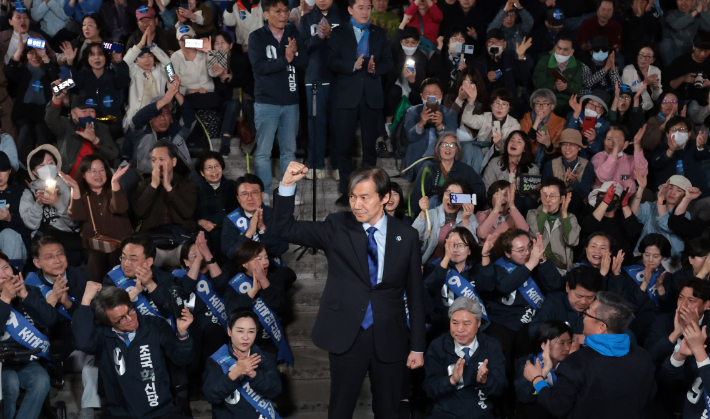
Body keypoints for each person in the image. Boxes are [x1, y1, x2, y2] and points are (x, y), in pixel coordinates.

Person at [273, 162, 426, 418]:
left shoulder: (406, 236)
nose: (356, 204)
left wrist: (418, 346)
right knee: (340, 410)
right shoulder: (337, 226)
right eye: (353, 197)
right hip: (347, 334)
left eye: (365, 197)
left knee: (389, 410)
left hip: (390, 336)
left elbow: (416, 294)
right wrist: (287, 185)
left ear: (385, 198)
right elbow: (285, 228)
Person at [523, 291, 656, 419]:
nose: (583, 315)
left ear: (601, 327)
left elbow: (557, 406)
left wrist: (537, 379)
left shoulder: (576, 363)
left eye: (587, 313)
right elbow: (650, 395)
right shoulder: (643, 356)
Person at [73, 282, 195, 419]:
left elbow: (182, 358)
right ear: (108, 322)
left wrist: (183, 334)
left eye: (130, 310)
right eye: (121, 319)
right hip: (121, 415)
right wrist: (85, 301)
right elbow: (83, 343)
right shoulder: (103, 336)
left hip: (162, 413)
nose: (130, 319)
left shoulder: (155, 325)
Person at [328, 0, 393, 206]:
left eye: (368, 7)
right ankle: (347, 192)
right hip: (346, 96)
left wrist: (375, 69)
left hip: (371, 96)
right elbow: (330, 61)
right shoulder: (338, 33)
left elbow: (388, 62)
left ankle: (369, 191)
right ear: (350, 9)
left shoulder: (379, 33)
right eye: (361, 8)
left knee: (369, 148)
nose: (365, 12)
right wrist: (352, 65)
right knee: (344, 146)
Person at [478, 229, 563, 381]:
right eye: (520, 250)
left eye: (529, 247)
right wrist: (531, 263)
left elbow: (557, 286)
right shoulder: (499, 267)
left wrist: (542, 260)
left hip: (530, 323)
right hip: (502, 323)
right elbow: (504, 286)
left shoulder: (537, 262)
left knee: (527, 363)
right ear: (508, 253)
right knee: (503, 362)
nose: (527, 253)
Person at [28, 236, 98, 419]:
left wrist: (67, 303)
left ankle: (89, 407)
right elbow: (34, 323)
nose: (57, 260)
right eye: (49, 256)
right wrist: (51, 300)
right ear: (37, 262)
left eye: (60, 254)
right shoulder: (31, 284)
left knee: (95, 343)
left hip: (77, 342)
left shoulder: (80, 278)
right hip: (47, 343)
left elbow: (91, 318)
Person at [249, 0, 308, 202]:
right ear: (266, 14)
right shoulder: (256, 37)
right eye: (277, 11)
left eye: (285, 11)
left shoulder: (293, 34)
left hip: (291, 101)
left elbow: (304, 63)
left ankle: (288, 191)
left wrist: (295, 55)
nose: (283, 15)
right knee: (263, 152)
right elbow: (259, 68)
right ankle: (263, 192)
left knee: (289, 151)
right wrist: (285, 59)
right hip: (266, 102)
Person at [423, 297, 507, 418]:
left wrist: (485, 381)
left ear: (478, 323)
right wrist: (451, 380)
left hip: (482, 412)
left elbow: (501, 389)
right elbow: (429, 389)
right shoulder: (437, 346)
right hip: (445, 413)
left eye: (466, 323)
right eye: (454, 323)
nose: (460, 329)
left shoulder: (492, 346)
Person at [174, 233, 230, 396]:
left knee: (213, 330)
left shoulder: (216, 272)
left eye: (202, 253)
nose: (201, 258)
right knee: (195, 330)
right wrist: (197, 262)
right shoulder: (178, 278)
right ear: (185, 262)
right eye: (194, 255)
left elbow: (222, 285)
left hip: (217, 330)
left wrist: (208, 257)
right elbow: (184, 290)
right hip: (193, 330)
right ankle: (193, 383)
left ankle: (211, 381)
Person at [61, 156, 132, 282]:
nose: (98, 174)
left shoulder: (114, 189)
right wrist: (75, 189)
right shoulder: (82, 194)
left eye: (101, 170)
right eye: (92, 170)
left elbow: (120, 208)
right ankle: (92, 295)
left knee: (116, 256)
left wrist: (115, 183)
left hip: (120, 244)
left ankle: (120, 292)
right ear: (83, 174)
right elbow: (77, 216)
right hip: (95, 245)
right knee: (96, 256)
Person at [0, 252, 53, 419]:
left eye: (5, 268)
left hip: (27, 357)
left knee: (41, 380)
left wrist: (26, 296)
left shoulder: (30, 291)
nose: (4, 275)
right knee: (10, 385)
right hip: (1, 362)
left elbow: (49, 319)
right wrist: (5, 300)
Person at [298, 0, 348, 179]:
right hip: (314, 78)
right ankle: (315, 163)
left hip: (338, 79)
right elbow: (302, 49)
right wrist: (319, 37)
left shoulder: (343, 17)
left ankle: (336, 164)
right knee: (315, 126)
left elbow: (349, 46)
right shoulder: (307, 20)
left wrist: (331, 35)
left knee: (337, 126)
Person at [223, 240, 296, 361]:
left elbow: (279, 306)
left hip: (269, 344)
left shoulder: (274, 278)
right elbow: (231, 310)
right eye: (258, 259)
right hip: (244, 345)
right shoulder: (235, 283)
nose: (264, 262)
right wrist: (254, 290)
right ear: (245, 264)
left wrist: (264, 281)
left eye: (266, 258)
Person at [203, 308, 282, 419]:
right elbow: (211, 396)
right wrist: (236, 372)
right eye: (240, 331)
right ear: (229, 331)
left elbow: (275, 390)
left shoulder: (265, 358)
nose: (246, 337)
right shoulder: (216, 360)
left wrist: (253, 374)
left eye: (251, 331)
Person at [19, 145, 83, 266]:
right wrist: (38, 204)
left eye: (51, 163)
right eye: (42, 165)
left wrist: (57, 203)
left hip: (66, 239)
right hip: (43, 240)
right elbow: (31, 223)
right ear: (34, 171)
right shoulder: (29, 193)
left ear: (56, 165)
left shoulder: (69, 187)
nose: (47, 168)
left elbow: (75, 222)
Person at [424, 227, 492, 336]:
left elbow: (487, 288)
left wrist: (485, 256)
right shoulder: (435, 266)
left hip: (471, 324)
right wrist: (446, 258)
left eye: (460, 245)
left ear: (469, 250)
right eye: (451, 245)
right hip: (442, 324)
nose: (455, 250)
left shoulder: (477, 269)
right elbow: (428, 288)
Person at [4, 37, 58, 166]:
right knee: (26, 129)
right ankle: (22, 168)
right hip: (23, 114)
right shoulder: (23, 70)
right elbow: (8, 72)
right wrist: (20, 50)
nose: (35, 56)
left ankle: (48, 167)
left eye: (37, 52)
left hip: (43, 115)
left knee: (41, 130)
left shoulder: (49, 70)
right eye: (31, 53)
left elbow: (57, 80)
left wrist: (45, 56)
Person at [63, 42, 131, 140]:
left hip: (111, 126)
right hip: (86, 124)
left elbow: (123, 81)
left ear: (106, 57)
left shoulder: (113, 75)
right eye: (92, 54)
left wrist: (119, 61)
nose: (97, 58)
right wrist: (70, 62)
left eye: (100, 54)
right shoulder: (82, 75)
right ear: (87, 58)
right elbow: (69, 85)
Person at [46, 89, 120, 178]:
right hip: (68, 178)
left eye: (92, 111)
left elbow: (113, 154)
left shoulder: (101, 128)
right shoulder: (66, 125)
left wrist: (95, 140)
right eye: (84, 111)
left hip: (94, 179)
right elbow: (51, 119)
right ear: (73, 114)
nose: (88, 115)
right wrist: (56, 99)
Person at [221, 173, 289, 262]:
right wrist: (249, 233)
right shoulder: (230, 219)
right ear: (238, 198)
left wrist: (262, 231)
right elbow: (230, 253)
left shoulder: (274, 215)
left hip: (270, 267)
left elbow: (282, 248)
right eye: (244, 194)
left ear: (262, 195)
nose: (250, 198)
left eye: (254, 193)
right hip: (242, 268)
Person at [408, 132, 486, 209]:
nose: (448, 148)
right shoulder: (430, 169)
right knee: (434, 199)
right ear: (438, 148)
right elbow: (417, 194)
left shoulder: (465, 170)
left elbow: (480, 194)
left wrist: (458, 199)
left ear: (457, 149)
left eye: (452, 145)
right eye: (444, 145)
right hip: (434, 213)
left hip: (459, 212)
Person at [135, 141, 198, 234]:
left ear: (174, 162)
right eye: (153, 160)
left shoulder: (187, 185)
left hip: (181, 235)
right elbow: (139, 212)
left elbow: (187, 213)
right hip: (152, 235)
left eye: (161, 159)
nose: (158, 164)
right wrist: (153, 186)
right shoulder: (144, 184)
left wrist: (169, 188)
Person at [515, 320, 574, 419]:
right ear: (544, 345)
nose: (567, 348)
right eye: (561, 343)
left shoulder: (573, 364)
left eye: (569, 342)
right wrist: (544, 371)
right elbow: (523, 396)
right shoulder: (528, 362)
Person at [528, 266, 603, 343]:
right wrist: (573, 338)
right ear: (567, 287)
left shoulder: (599, 307)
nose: (583, 301)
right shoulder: (554, 301)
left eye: (590, 297)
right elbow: (534, 331)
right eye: (579, 296)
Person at [414, 178, 479, 264]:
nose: (451, 199)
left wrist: (465, 220)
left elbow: (472, 247)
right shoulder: (431, 214)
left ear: (464, 199)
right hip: (430, 266)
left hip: (455, 268)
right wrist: (423, 213)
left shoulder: (469, 216)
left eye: (457, 196)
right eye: (449, 193)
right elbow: (413, 239)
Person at [401, 78, 458, 175]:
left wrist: (440, 126)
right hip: (418, 160)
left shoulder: (450, 114)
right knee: (428, 167)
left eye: (435, 93)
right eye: (428, 93)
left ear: (441, 95)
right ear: (421, 96)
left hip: (442, 159)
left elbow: (452, 139)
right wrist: (421, 123)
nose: (432, 96)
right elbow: (410, 137)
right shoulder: (412, 112)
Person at [632, 172, 692, 263]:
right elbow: (634, 212)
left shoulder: (685, 215)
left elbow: (666, 226)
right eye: (670, 188)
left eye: (678, 190)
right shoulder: (652, 206)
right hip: (644, 255)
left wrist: (660, 199)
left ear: (685, 196)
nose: (672, 192)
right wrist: (641, 188)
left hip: (671, 260)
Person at [121, 26, 172, 133]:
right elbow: (124, 64)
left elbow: (168, 64)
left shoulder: (159, 70)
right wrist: (140, 44)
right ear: (136, 60)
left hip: (157, 117)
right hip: (137, 118)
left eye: (149, 56)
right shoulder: (133, 70)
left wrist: (153, 47)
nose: (147, 60)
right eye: (142, 57)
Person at [460, 87, 520, 174]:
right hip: (480, 153)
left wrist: (499, 144)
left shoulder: (514, 124)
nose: (500, 108)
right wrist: (471, 102)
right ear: (491, 105)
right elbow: (467, 120)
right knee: (471, 148)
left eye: (504, 104)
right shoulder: (486, 117)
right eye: (497, 103)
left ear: (509, 107)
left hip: (499, 156)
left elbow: (512, 149)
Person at [652, 116, 710, 197]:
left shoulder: (694, 145)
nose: (678, 132)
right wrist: (670, 151)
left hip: (695, 195)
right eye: (674, 129)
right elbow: (655, 164)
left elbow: (704, 155)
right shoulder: (660, 148)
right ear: (667, 134)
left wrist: (700, 147)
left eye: (682, 128)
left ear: (689, 133)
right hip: (667, 195)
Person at [581, 182, 643, 259]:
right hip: (596, 262)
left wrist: (625, 205)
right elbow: (587, 227)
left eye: (611, 196)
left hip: (621, 264)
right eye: (602, 194)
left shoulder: (623, 217)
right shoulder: (590, 213)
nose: (606, 197)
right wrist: (606, 201)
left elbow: (634, 232)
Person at [472, 28, 533, 105]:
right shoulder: (479, 62)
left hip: (509, 104)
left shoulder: (510, 59)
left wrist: (521, 57)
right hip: (487, 105)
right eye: (490, 42)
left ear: (504, 44)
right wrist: (487, 80)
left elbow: (523, 80)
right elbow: (474, 88)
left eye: (498, 41)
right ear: (487, 45)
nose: (494, 44)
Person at [542, 129, 594, 213]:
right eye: (564, 144)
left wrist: (574, 182)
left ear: (579, 147)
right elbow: (545, 190)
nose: (567, 148)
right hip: (553, 205)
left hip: (578, 208)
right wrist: (563, 186)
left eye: (572, 144)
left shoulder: (587, 166)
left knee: (575, 199)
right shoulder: (550, 164)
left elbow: (585, 194)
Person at [532, 33, 583, 113]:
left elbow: (577, 87)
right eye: (559, 48)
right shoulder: (544, 61)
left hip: (567, 104)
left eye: (565, 50)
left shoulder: (577, 65)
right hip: (546, 100)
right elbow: (537, 83)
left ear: (572, 52)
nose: (561, 52)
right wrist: (554, 86)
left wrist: (567, 86)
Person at [591, 122, 648, 194]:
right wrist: (615, 152)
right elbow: (604, 177)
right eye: (609, 139)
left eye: (617, 140)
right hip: (603, 200)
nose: (611, 143)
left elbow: (641, 175)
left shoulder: (630, 159)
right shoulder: (598, 157)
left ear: (626, 144)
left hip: (627, 200)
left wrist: (636, 146)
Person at [520, 88, 566, 168]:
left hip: (548, 159)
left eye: (545, 104)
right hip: (528, 156)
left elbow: (558, 150)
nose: (541, 107)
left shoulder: (560, 122)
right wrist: (536, 123)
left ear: (552, 106)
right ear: (534, 106)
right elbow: (523, 144)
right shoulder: (527, 118)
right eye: (537, 104)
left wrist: (548, 144)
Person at [660, 0, 710, 68]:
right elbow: (676, 24)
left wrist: (705, 10)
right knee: (666, 44)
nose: (684, 3)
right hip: (674, 49)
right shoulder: (671, 14)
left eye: (687, 0)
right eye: (681, 0)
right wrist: (696, 11)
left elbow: (707, 28)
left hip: (691, 48)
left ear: (693, 2)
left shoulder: (697, 16)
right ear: (677, 2)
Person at [0, 151, 29, 263]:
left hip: (18, 245)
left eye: (3, 170)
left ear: (10, 170)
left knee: (8, 234)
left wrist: (10, 218)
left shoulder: (20, 192)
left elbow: (31, 224)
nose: (0, 175)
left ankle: (11, 278)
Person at [667, 30, 710, 104]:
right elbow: (669, 85)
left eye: (706, 51)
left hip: (705, 101)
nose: (702, 54)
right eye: (700, 50)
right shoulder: (681, 61)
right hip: (683, 100)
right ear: (694, 47)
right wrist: (683, 79)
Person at [564, 90, 611, 157]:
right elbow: (567, 136)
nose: (593, 108)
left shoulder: (605, 125)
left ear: (602, 112)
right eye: (591, 103)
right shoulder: (573, 115)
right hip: (571, 155)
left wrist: (592, 141)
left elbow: (601, 150)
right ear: (585, 104)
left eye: (598, 106)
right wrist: (576, 113)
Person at [621, 45, 662, 111]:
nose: (643, 59)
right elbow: (626, 91)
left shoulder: (655, 71)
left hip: (650, 108)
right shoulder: (628, 69)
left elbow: (656, 97)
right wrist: (644, 83)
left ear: (653, 60)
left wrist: (655, 88)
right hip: (633, 107)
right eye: (641, 55)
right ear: (637, 56)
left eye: (648, 56)